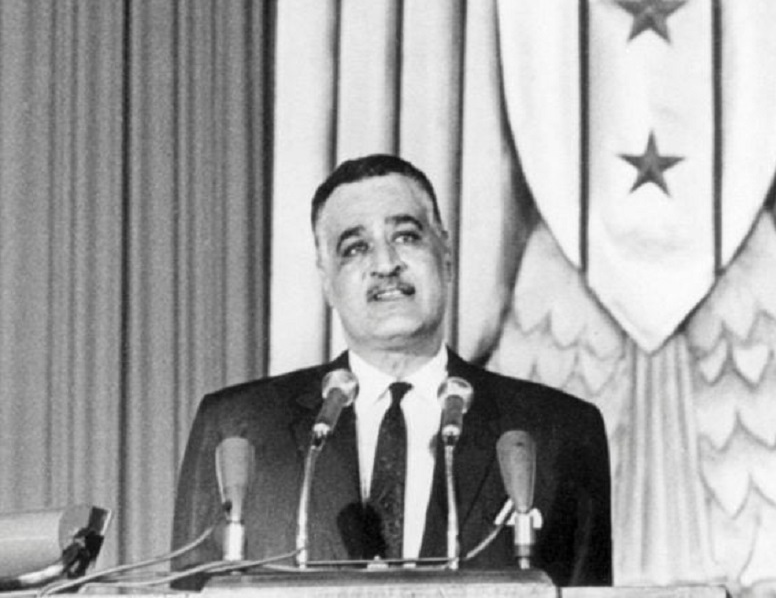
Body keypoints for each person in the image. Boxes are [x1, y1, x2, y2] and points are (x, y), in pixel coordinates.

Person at [170, 154, 612, 586]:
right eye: (355, 248)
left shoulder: (559, 431)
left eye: (406, 237)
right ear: (327, 281)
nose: (385, 264)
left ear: (446, 255)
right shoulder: (238, 425)